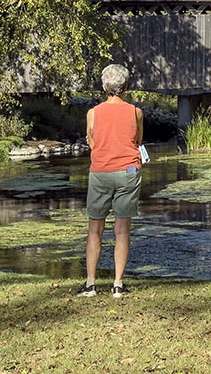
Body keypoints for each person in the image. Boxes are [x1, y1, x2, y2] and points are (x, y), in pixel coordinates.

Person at [77, 63, 144, 299]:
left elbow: (92, 141)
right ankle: (117, 285)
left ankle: (90, 284)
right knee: (122, 230)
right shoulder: (136, 112)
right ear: (125, 87)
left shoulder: (93, 113)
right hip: (127, 172)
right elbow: (137, 139)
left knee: (95, 229)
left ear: (104, 87)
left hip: (101, 171)